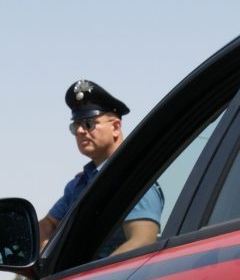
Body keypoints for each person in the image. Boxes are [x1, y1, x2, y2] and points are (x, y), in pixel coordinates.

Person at [38, 79, 162, 254]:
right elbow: (48, 224)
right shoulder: (80, 184)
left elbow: (142, 241)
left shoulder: (134, 176)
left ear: (116, 127)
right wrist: (43, 260)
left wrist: (96, 277)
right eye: (76, 126)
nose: (81, 131)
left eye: (89, 123)